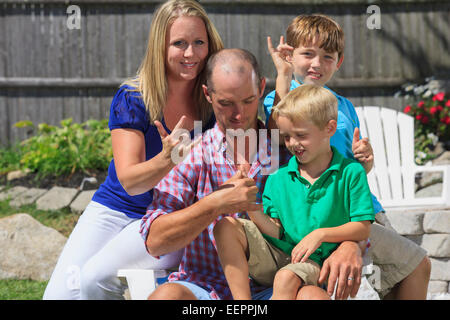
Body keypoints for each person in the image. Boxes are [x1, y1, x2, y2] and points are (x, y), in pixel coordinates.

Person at [140, 48, 378, 300]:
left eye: (248, 100)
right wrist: (214, 204)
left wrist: (351, 246)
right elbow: (155, 242)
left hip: (278, 287)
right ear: (208, 94)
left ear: (262, 88)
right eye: (226, 103)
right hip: (206, 286)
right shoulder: (193, 154)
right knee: (165, 297)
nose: (239, 114)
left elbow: (348, 211)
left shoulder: (293, 148)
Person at [43, 0, 224, 300]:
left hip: (171, 217)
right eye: (179, 43)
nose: (190, 53)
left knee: (95, 279)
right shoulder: (134, 97)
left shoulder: (214, 98)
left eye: (198, 42)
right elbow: (130, 181)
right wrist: (167, 160)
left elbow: (258, 124)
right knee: (59, 297)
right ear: (160, 46)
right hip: (116, 206)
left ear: (210, 44)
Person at [264, 14, 431, 299]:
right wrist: (283, 75)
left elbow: (353, 165)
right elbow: (277, 131)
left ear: (339, 62)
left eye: (327, 57)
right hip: (326, 211)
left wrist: (366, 160)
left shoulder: (343, 106)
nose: (317, 64)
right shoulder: (281, 97)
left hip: (362, 205)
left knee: (414, 266)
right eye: (308, 54)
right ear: (291, 55)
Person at [214, 84, 375, 300]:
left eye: (301, 135)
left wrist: (320, 235)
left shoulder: (351, 172)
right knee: (225, 226)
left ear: (329, 128)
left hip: (319, 260)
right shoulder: (278, 178)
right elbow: (277, 232)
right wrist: (251, 207)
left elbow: (362, 229)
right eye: (287, 136)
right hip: (283, 255)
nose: (292, 144)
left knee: (287, 278)